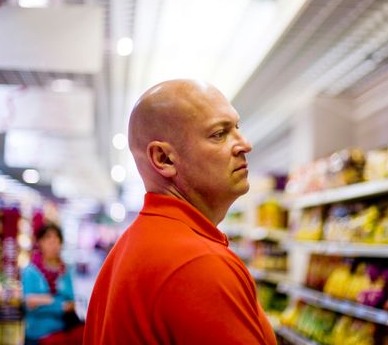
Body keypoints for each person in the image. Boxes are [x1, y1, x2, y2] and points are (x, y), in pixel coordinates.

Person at [84, 79, 276, 344]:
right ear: (164, 159)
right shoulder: (199, 263)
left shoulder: (133, 246)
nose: (244, 144)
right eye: (219, 134)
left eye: (237, 128)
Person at [21, 223, 83, 344]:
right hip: (36, 336)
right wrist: (60, 305)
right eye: (48, 239)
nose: (53, 245)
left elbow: (71, 303)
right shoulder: (31, 271)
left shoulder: (65, 271)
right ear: (39, 243)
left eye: (56, 240)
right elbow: (30, 303)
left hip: (61, 334)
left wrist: (45, 300)